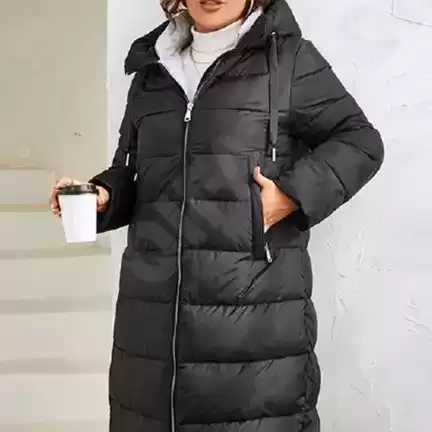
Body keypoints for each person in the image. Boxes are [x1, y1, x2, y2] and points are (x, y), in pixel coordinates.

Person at [49, 0, 384, 431]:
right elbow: (133, 173)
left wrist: (290, 195)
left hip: (253, 327)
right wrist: (103, 195)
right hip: (151, 324)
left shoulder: (289, 59)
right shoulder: (152, 70)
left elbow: (360, 142)